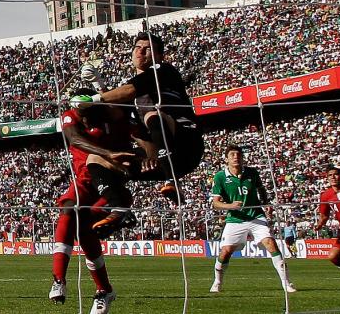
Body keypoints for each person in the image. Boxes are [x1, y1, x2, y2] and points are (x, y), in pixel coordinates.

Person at [80, 32, 204, 227]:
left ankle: (171, 180)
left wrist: (93, 100)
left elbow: (129, 91)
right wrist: (97, 83)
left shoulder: (165, 72)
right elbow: (115, 112)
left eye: (148, 49)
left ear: (160, 56)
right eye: (138, 47)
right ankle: (118, 207)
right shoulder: (129, 95)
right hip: (157, 156)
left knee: (153, 115)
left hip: (187, 146)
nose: (141, 51)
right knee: (95, 159)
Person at [50, 89, 138, 314]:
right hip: (83, 183)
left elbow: (132, 127)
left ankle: (104, 290)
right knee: (68, 209)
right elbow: (74, 138)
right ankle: (59, 279)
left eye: (87, 111)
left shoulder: (111, 118)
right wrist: (107, 153)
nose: (84, 116)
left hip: (110, 185)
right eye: (80, 111)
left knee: (86, 230)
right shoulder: (70, 116)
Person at [209, 145, 296, 293]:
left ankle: (286, 283)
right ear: (226, 159)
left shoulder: (252, 173)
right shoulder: (220, 177)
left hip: (256, 215)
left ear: (242, 158)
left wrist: (266, 203)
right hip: (235, 219)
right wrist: (230, 206)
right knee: (226, 251)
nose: (236, 157)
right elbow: (215, 203)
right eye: (232, 154)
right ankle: (217, 282)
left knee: (271, 243)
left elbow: (261, 189)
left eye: (238, 154)